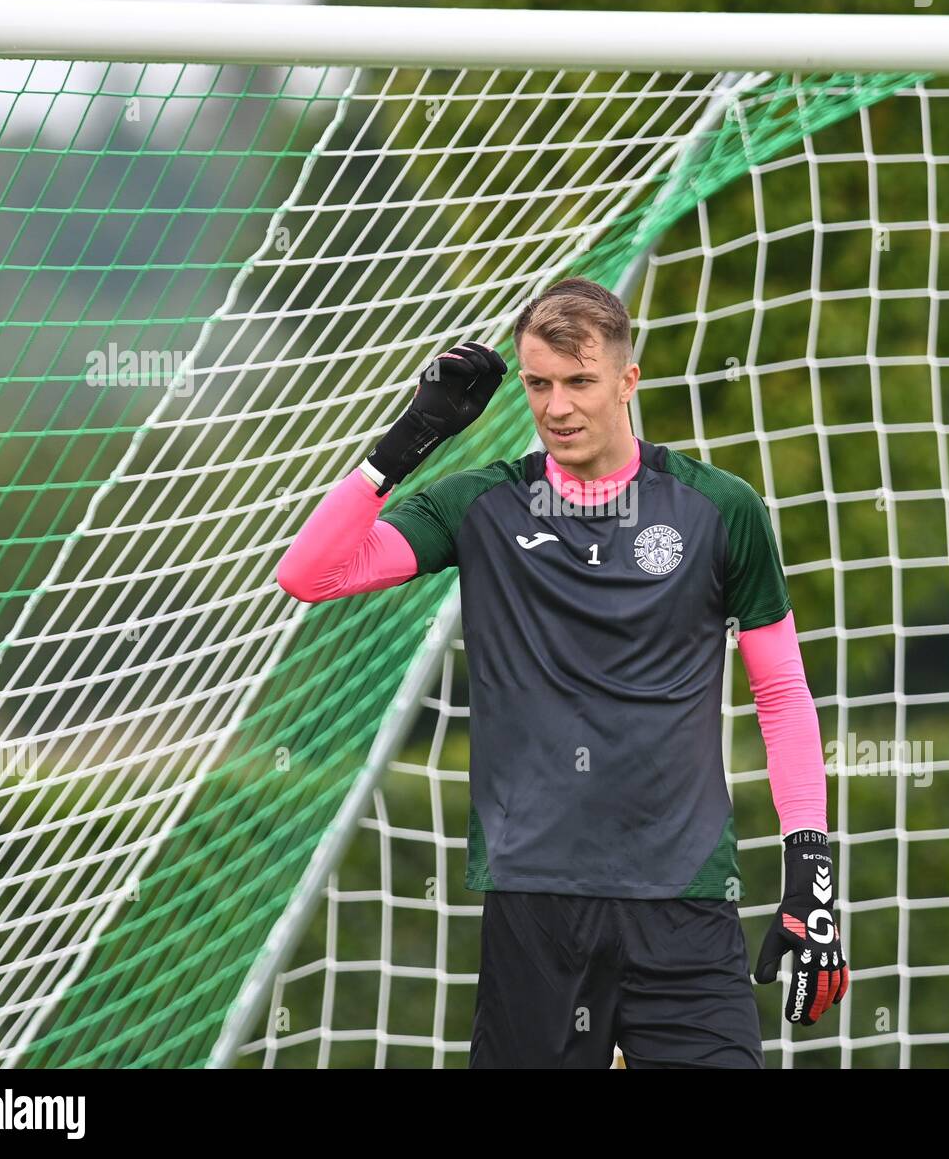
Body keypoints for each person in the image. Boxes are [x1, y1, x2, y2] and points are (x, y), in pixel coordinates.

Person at [276, 277, 848, 1068]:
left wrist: (810, 872)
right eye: (539, 383)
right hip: (537, 910)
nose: (558, 406)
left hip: (684, 905)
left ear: (626, 380)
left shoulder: (719, 507)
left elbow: (781, 693)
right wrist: (406, 441)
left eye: (579, 381)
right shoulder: (480, 505)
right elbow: (311, 573)